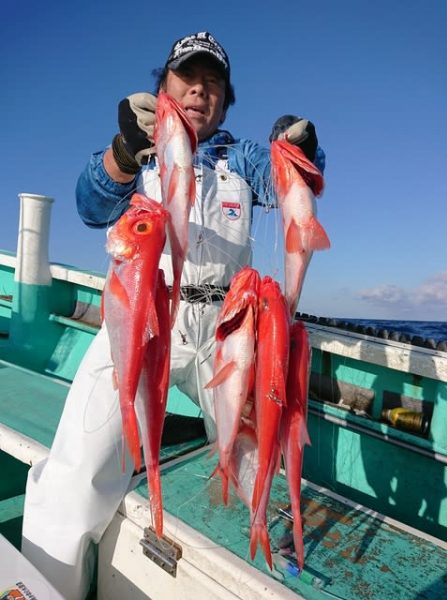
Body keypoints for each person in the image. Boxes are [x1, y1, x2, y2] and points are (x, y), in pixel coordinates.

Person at [21, 31, 325, 600]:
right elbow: (92, 204)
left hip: (230, 328)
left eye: (213, 84)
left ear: (226, 102)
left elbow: (298, 179)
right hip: (146, 314)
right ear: (164, 86)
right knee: (76, 470)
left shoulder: (247, 160)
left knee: (257, 459)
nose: (199, 92)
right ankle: (47, 582)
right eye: (188, 78)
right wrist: (122, 149)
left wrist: (300, 150)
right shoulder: (143, 147)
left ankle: (271, 547)